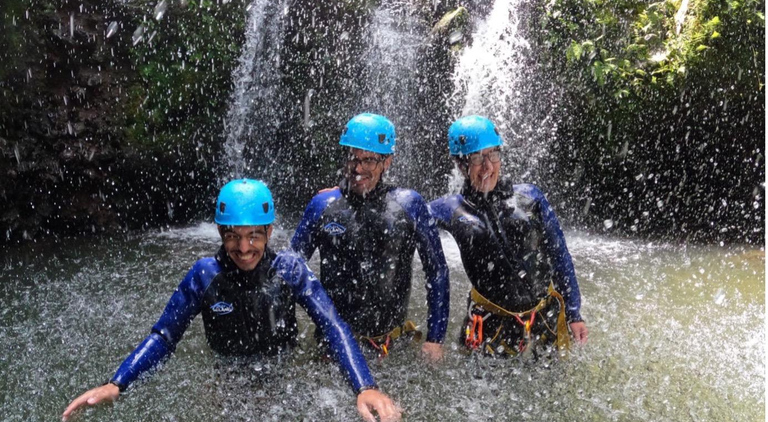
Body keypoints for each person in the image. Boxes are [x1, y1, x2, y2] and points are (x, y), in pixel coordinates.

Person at [63, 179, 401, 422]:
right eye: (232, 237)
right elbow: (164, 337)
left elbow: (333, 326)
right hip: (229, 375)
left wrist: (364, 386)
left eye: (253, 235)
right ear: (221, 234)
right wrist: (117, 383)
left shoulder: (289, 269)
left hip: (281, 371)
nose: (243, 249)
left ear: (269, 232)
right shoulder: (204, 275)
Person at [291, 113, 450, 361]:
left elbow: (437, 271)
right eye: (353, 158)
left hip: (391, 342)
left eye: (369, 161)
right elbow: (292, 270)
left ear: (387, 162)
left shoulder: (409, 205)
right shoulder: (323, 205)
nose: (357, 168)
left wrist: (435, 339)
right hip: (334, 343)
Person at [429, 115, 588, 357]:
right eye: (477, 158)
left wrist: (575, 314)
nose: (488, 167)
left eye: (493, 154)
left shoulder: (531, 198)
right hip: (488, 325)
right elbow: (408, 223)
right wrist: (434, 338)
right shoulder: (450, 209)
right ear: (461, 165)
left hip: (543, 318)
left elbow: (560, 256)